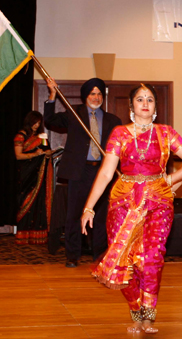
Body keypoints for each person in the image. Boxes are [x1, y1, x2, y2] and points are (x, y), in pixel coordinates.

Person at [81, 83, 182, 334]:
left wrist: (169, 180)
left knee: (152, 257)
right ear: (131, 106)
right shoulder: (120, 133)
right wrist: (89, 208)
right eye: (140, 99)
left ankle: (148, 315)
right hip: (123, 202)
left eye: (150, 100)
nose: (145, 103)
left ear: (156, 107)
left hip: (158, 202)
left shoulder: (166, 133)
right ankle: (135, 311)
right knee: (124, 260)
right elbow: (105, 173)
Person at [44, 78, 122, 268]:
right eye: (92, 93)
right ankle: (72, 255)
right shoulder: (74, 113)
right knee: (74, 214)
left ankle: (99, 254)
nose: (96, 97)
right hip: (79, 171)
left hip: (102, 171)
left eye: (99, 94)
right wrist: (53, 95)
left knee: (101, 214)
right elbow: (49, 120)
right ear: (85, 96)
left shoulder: (113, 120)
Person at [14, 111, 54, 244]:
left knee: (39, 203)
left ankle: (38, 235)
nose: (36, 126)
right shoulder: (21, 136)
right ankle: (23, 235)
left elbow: (45, 153)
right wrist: (35, 154)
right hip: (26, 174)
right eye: (34, 123)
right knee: (26, 201)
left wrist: (47, 154)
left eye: (38, 123)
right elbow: (18, 156)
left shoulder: (41, 137)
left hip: (39, 175)